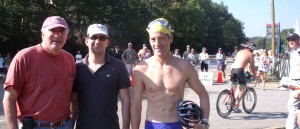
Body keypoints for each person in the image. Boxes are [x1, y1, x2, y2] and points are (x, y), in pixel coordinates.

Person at [131, 18, 210, 129]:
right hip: (152, 124)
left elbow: (203, 94)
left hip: (177, 125)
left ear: (170, 38)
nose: (157, 43)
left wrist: (204, 122)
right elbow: (136, 104)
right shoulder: (141, 69)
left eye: (161, 38)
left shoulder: (185, 67)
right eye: (153, 39)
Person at [2, 16, 76, 129]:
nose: (58, 35)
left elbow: (72, 97)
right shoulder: (24, 58)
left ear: (66, 36)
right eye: (53, 30)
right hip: (35, 126)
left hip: (65, 125)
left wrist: (73, 121)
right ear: (43, 34)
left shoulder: (69, 59)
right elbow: (9, 98)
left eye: (62, 31)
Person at [71, 24, 131, 129]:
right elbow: (73, 103)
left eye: (102, 38)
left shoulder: (119, 66)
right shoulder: (77, 68)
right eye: (93, 37)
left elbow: (126, 100)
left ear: (107, 42)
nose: (97, 41)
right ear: (86, 41)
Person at [230, 42, 257, 113]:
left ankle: (230, 102)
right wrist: (255, 75)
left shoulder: (240, 51)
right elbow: (252, 67)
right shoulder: (250, 54)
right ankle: (236, 105)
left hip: (233, 69)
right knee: (242, 88)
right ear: (252, 49)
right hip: (240, 70)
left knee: (233, 87)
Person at [285, 33, 300, 129]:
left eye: (293, 39)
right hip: (294, 83)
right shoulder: (293, 52)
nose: (291, 41)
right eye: (289, 40)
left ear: (298, 40)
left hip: (299, 84)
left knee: (292, 107)